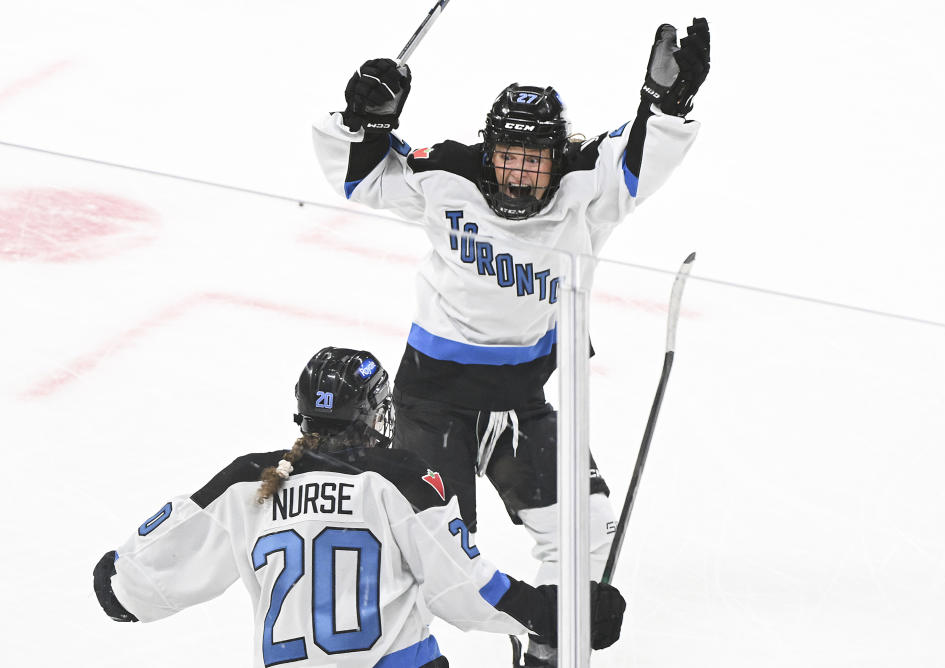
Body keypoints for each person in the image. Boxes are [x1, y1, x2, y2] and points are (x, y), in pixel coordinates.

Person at [313, 18, 709, 666]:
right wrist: (366, 120)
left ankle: (548, 646)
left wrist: (665, 104)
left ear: (559, 156)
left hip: (521, 399)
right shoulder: (448, 176)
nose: (521, 176)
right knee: (429, 552)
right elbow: (361, 178)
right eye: (509, 158)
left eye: (535, 161)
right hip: (431, 398)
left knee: (588, 529)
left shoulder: (588, 189)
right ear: (487, 151)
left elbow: (639, 151)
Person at [92, 347, 626, 667]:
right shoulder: (400, 479)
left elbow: (134, 583)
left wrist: (119, 584)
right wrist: (560, 615)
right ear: (374, 415)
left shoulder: (253, 480)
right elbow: (465, 591)